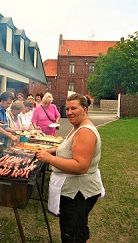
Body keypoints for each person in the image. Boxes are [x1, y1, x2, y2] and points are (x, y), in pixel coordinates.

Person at [36, 93, 104, 243]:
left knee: (72, 235)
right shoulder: (78, 127)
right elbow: (69, 148)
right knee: (79, 228)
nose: (69, 112)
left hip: (78, 192)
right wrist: (52, 150)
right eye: (67, 109)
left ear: (85, 109)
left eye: (74, 108)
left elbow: (81, 167)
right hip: (75, 190)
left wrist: (50, 159)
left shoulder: (85, 131)